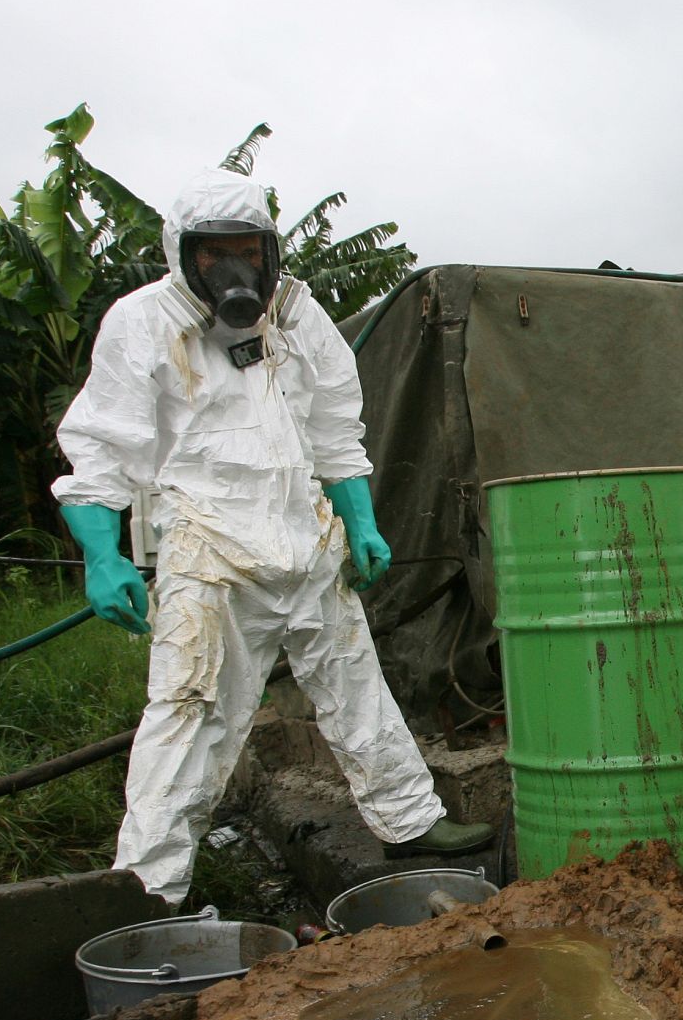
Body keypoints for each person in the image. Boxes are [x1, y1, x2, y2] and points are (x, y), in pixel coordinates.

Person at [53, 168, 493, 909]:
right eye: (212, 254)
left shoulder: (295, 314)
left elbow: (333, 426)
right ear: (183, 255)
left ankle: (409, 823)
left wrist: (359, 522)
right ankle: (147, 893)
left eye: (247, 251)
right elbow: (101, 449)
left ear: (268, 251)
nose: (234, 270)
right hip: (208, 553)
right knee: (190, 717)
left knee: (357, 688)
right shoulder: (143, 322)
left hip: (304, 537)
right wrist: (103, 556)